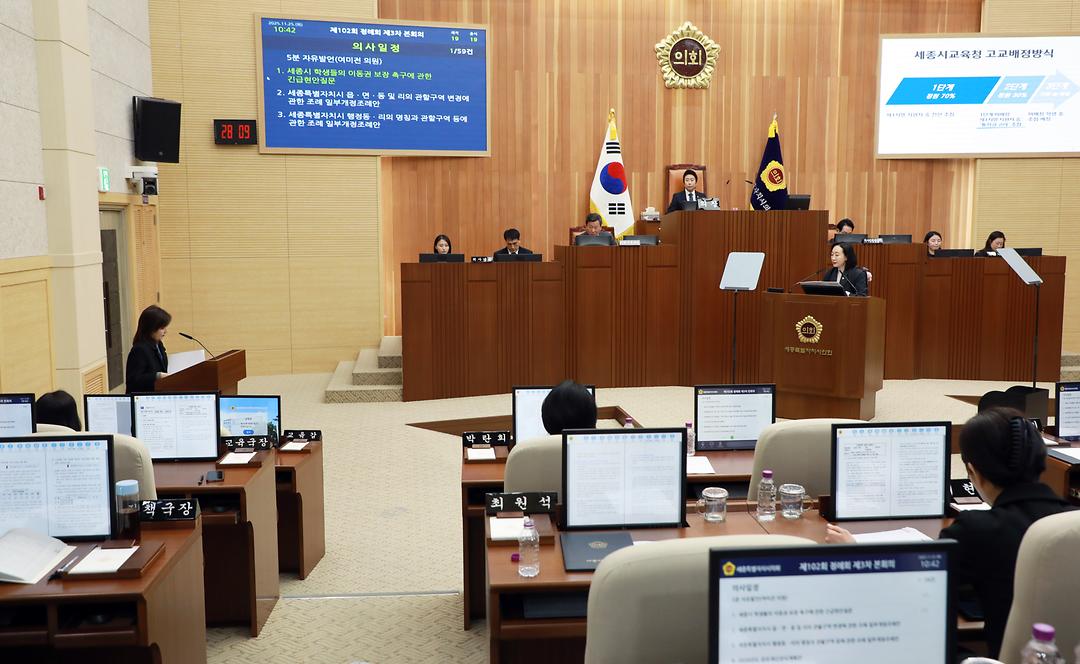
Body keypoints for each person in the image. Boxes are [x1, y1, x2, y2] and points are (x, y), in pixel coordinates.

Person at [826, 408, 1074, 658]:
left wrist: (854, 547)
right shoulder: (1072, 522)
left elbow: (908, 594)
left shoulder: (978, 530)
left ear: (973, 472)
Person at [126, 304, 171, 393]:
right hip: (144, 399)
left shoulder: (159, 344)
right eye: (162, 328)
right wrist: (157, 376)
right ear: (151, 328)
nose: (165, 331)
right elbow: (134, 380)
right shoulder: (139, 350)